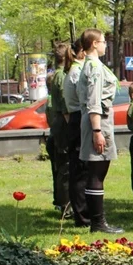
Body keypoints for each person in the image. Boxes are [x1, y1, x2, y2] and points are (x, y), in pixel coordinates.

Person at [78, 28, 123, 234]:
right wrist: (97, 130)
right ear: (94, 44)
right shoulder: (94, 67)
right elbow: (94, 101)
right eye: (103, 41)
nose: (105, 44)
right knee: (97, 170)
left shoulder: (91, 65)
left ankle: (97, 220)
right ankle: (98, 222)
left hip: (98, 120)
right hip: (98, 121)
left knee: (98, 170)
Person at [62, 39, 90, 227]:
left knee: (80, 168)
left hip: (75, 118)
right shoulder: (78, 71)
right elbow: (85, 96)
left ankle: (82, 212)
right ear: (83, 51)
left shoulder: (73, 70)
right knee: (80, 169)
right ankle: (82, 215)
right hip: (79, 118)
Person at [47, 43, 72, 215]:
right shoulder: (62, 76)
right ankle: (66, 206)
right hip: (63, 126)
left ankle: (62, 202)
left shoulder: (56, 75)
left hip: (58, 125)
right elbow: (65, 107)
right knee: (66, 166)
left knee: (61, 166)